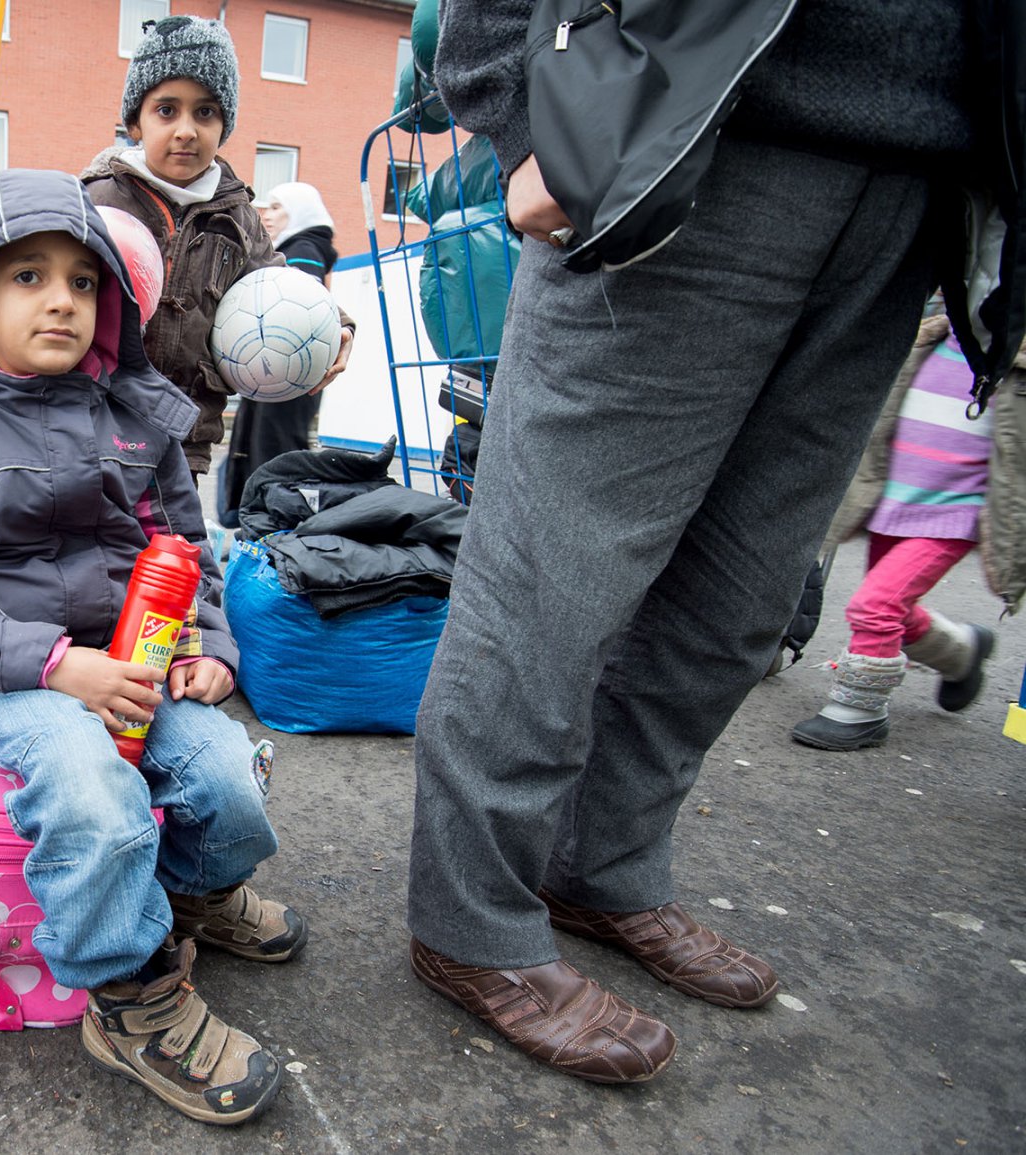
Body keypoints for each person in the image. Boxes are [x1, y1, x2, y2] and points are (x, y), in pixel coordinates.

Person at [407, 0, 1016, 1085]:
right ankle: (473, 921)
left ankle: (603, 868)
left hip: (913, 196)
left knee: (746, 597)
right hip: (686, 136)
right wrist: (519, 114)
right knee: (552, 583)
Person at [0, 168, 305, 1126]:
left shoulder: (140, 420)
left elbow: (188, 553)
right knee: (94, 792)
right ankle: (126, 989)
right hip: (8, 672)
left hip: (134, 656)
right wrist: (62, 666)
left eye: (83, 280)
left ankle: (194, 895)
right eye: (29, 277)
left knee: (229, 779)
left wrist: (204, 646)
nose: (62, 299)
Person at [82, 15, 353, 479]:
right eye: (167, 110)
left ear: (224, 124)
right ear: (134, 122)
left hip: (183, 441)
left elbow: (278, 284)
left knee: (174, 530)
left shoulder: (238, 216)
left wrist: (337, 326)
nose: (186, 129)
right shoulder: (97, 199)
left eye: (205, 112)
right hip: (91, 424)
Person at [791, 311, 1020, 750]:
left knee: (875, 606)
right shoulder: (929, 338)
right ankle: (962, 651)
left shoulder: (1015, 366)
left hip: (955, 515)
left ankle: (859, 710)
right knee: (893, 607)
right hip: (896, 501)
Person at [215, 182, 339, 526]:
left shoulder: (302, 251)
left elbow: (296, 311)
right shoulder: (296, 249)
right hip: (278, 371)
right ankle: (259, 523)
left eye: (276, 207)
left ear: (299, 212)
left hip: (284, 375)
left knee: (272, 455)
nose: (267, 215)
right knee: (263, 452)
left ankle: (273, 528)